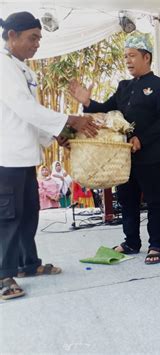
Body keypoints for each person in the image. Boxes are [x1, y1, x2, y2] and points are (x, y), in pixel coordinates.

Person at [0, 11, 98, 300]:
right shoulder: (3, 66)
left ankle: (27, 264)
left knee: (29, 215)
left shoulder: (23, 69)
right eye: (32, 38)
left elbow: (32, 119)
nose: (37, 44)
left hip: (25, 156)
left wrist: (58, 136)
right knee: (8, 218)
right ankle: (4, 276)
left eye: (39, 38)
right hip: (6, 159)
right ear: (12, 36)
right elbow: (24, 109)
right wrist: (69, 120)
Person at [69, 32, 160, 264]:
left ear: (146, 57)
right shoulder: (124, 86)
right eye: (125, 56)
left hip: (149, 153)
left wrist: (142, 139)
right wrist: (87, 102)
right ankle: (131, 242)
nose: (127, 60)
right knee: (127, 199)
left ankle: (155, 244)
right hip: (122, 157)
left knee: (154, 200)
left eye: (132, 55)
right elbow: (106, 109)